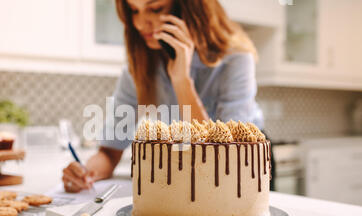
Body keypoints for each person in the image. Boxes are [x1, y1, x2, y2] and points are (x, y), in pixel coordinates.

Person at [62, 0, 274, 193]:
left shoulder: (235, 58)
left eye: (155, 9)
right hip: (187, 164)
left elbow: (225, 159)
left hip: (245, 166)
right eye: (134, 10)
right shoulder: (140, 66)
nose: (140, 23)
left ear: (190, 8)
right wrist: (85, 173)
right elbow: (110, 152)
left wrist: (182, 81)